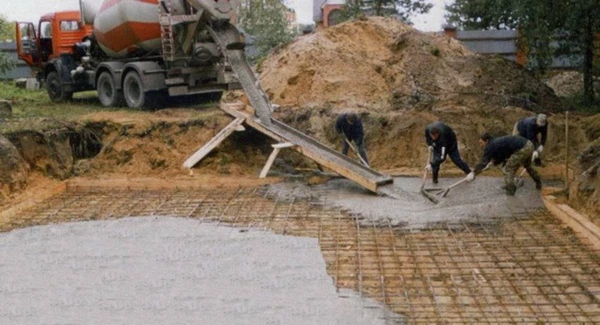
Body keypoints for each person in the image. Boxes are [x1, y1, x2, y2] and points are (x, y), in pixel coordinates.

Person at [470, 132, 542, 196]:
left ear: (486, 141)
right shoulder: (496, 142)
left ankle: (510, 191)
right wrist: (494, 163)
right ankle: (538, 183)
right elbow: (501, 156)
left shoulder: (490, 146)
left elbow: (483, 162)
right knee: (527, 165)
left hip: (523, 149)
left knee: (507, 169)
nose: (481, 145)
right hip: (529, 145)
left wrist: (473, 173)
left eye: (481, 143)